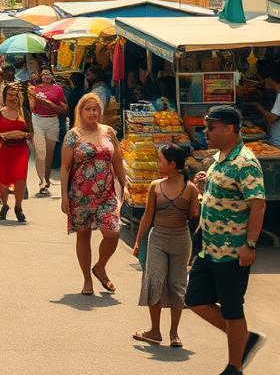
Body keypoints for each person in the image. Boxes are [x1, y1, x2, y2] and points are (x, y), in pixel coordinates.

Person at [185, 105, 267, 375]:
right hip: (209, 248)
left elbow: (257, 205)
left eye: (211, 127)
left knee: (232, 309)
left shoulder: (246, 162)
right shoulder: (219, 157)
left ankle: (234, 366)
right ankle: (244, 338)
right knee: (195, 299)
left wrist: (250, 244)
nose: (205, 132)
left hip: (233, 251)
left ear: (229, 129)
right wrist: (202, 185)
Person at [132, 142, 200, 349]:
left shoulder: (191, 189)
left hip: (181, 241)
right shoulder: (155, 186)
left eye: (159, 159)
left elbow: (193, 219)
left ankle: (174, 333)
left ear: (172, 164)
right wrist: (138, 240)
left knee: (177, 285)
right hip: (157, 240)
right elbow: (147, 216)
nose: (156, 163)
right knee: (155, 281)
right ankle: (155, 330)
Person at [61, 93, 126, 295]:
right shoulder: (73, 135)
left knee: (113, 232)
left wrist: (125, 187)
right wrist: (64, 196)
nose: (93, 113)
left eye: (96, 109)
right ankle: (87, 280)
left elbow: (117, 162)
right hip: (80, 194)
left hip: (106, 193)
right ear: (80, 111)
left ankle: (100, 267)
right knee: (84, 235)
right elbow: (64, 168)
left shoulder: (108, 132)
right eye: (88, 109)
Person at [0, 82, 31, 223]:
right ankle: (4, 205)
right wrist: (13, 134)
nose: (12, 97)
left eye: (15, 94)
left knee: (20, 179)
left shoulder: (24, 113)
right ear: (5, 96)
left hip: (21, 150)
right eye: (9, 94)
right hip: (3, 150)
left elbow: (30, 133)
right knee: (2, 182)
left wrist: (14, 134)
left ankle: (18, 207)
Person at [30, 67, 69, 198]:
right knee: (41, 153)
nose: (46, 76)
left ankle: (46, 181)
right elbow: (31, 107)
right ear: (40, 76)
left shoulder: (57, 89)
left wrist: (51, 105)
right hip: (37, 120)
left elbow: (63, 107)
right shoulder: (35, 89)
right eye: (44, 74)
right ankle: (41, 182)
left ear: (52, 76)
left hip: (52, 121)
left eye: (48, 74)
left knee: (49, 154)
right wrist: (33, 98)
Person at [250, 62, 280, 155]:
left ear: (269, 79)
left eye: (264, 80)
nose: (264, 83)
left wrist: (258, 106)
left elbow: (271, 119)